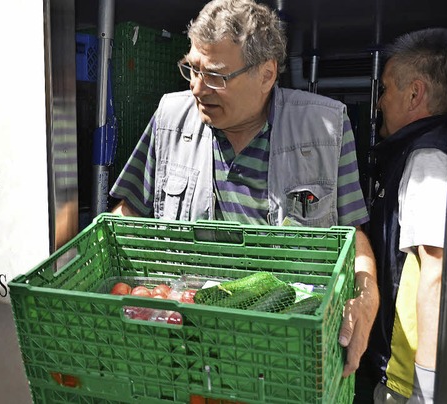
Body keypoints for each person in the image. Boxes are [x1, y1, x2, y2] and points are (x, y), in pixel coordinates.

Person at [108, 0, 379, 378]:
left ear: (266, 75)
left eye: (216, 76)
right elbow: (128, 214)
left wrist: (366, 299)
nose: (198, 88)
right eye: (192, 69)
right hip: (182, 345)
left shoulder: (326, 128)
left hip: (282, 348)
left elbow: (352, 234)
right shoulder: (170, 118)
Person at [356, 28, 447, 404]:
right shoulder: (423, 150)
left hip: (409, 380)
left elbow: (437, 270)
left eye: (385, 89)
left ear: (415, 93)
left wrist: (427, 391)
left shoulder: (428, 159)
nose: (379, 102)